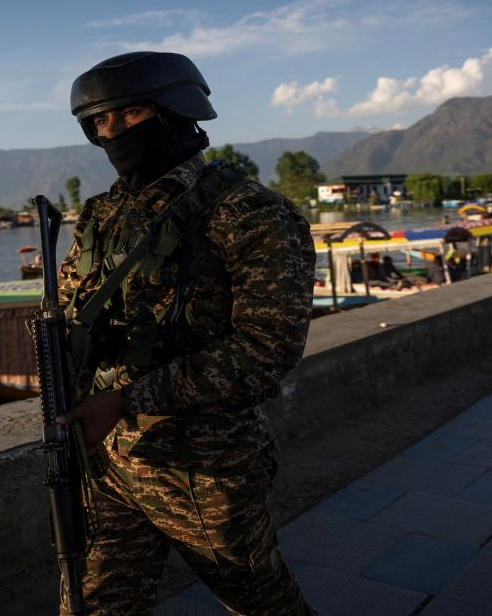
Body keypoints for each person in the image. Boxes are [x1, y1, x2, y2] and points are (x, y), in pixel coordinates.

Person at [55, 51, 316, 615]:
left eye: (128, 114)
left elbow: (265, 350)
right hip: (106, 459)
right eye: (99, 122)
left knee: (262, 604)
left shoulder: (247, 212)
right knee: (91, 605)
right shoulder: (101, 216)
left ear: (176, 111)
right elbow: (74, 315)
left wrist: (129, 398)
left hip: (204, 467)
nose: (112, 132)